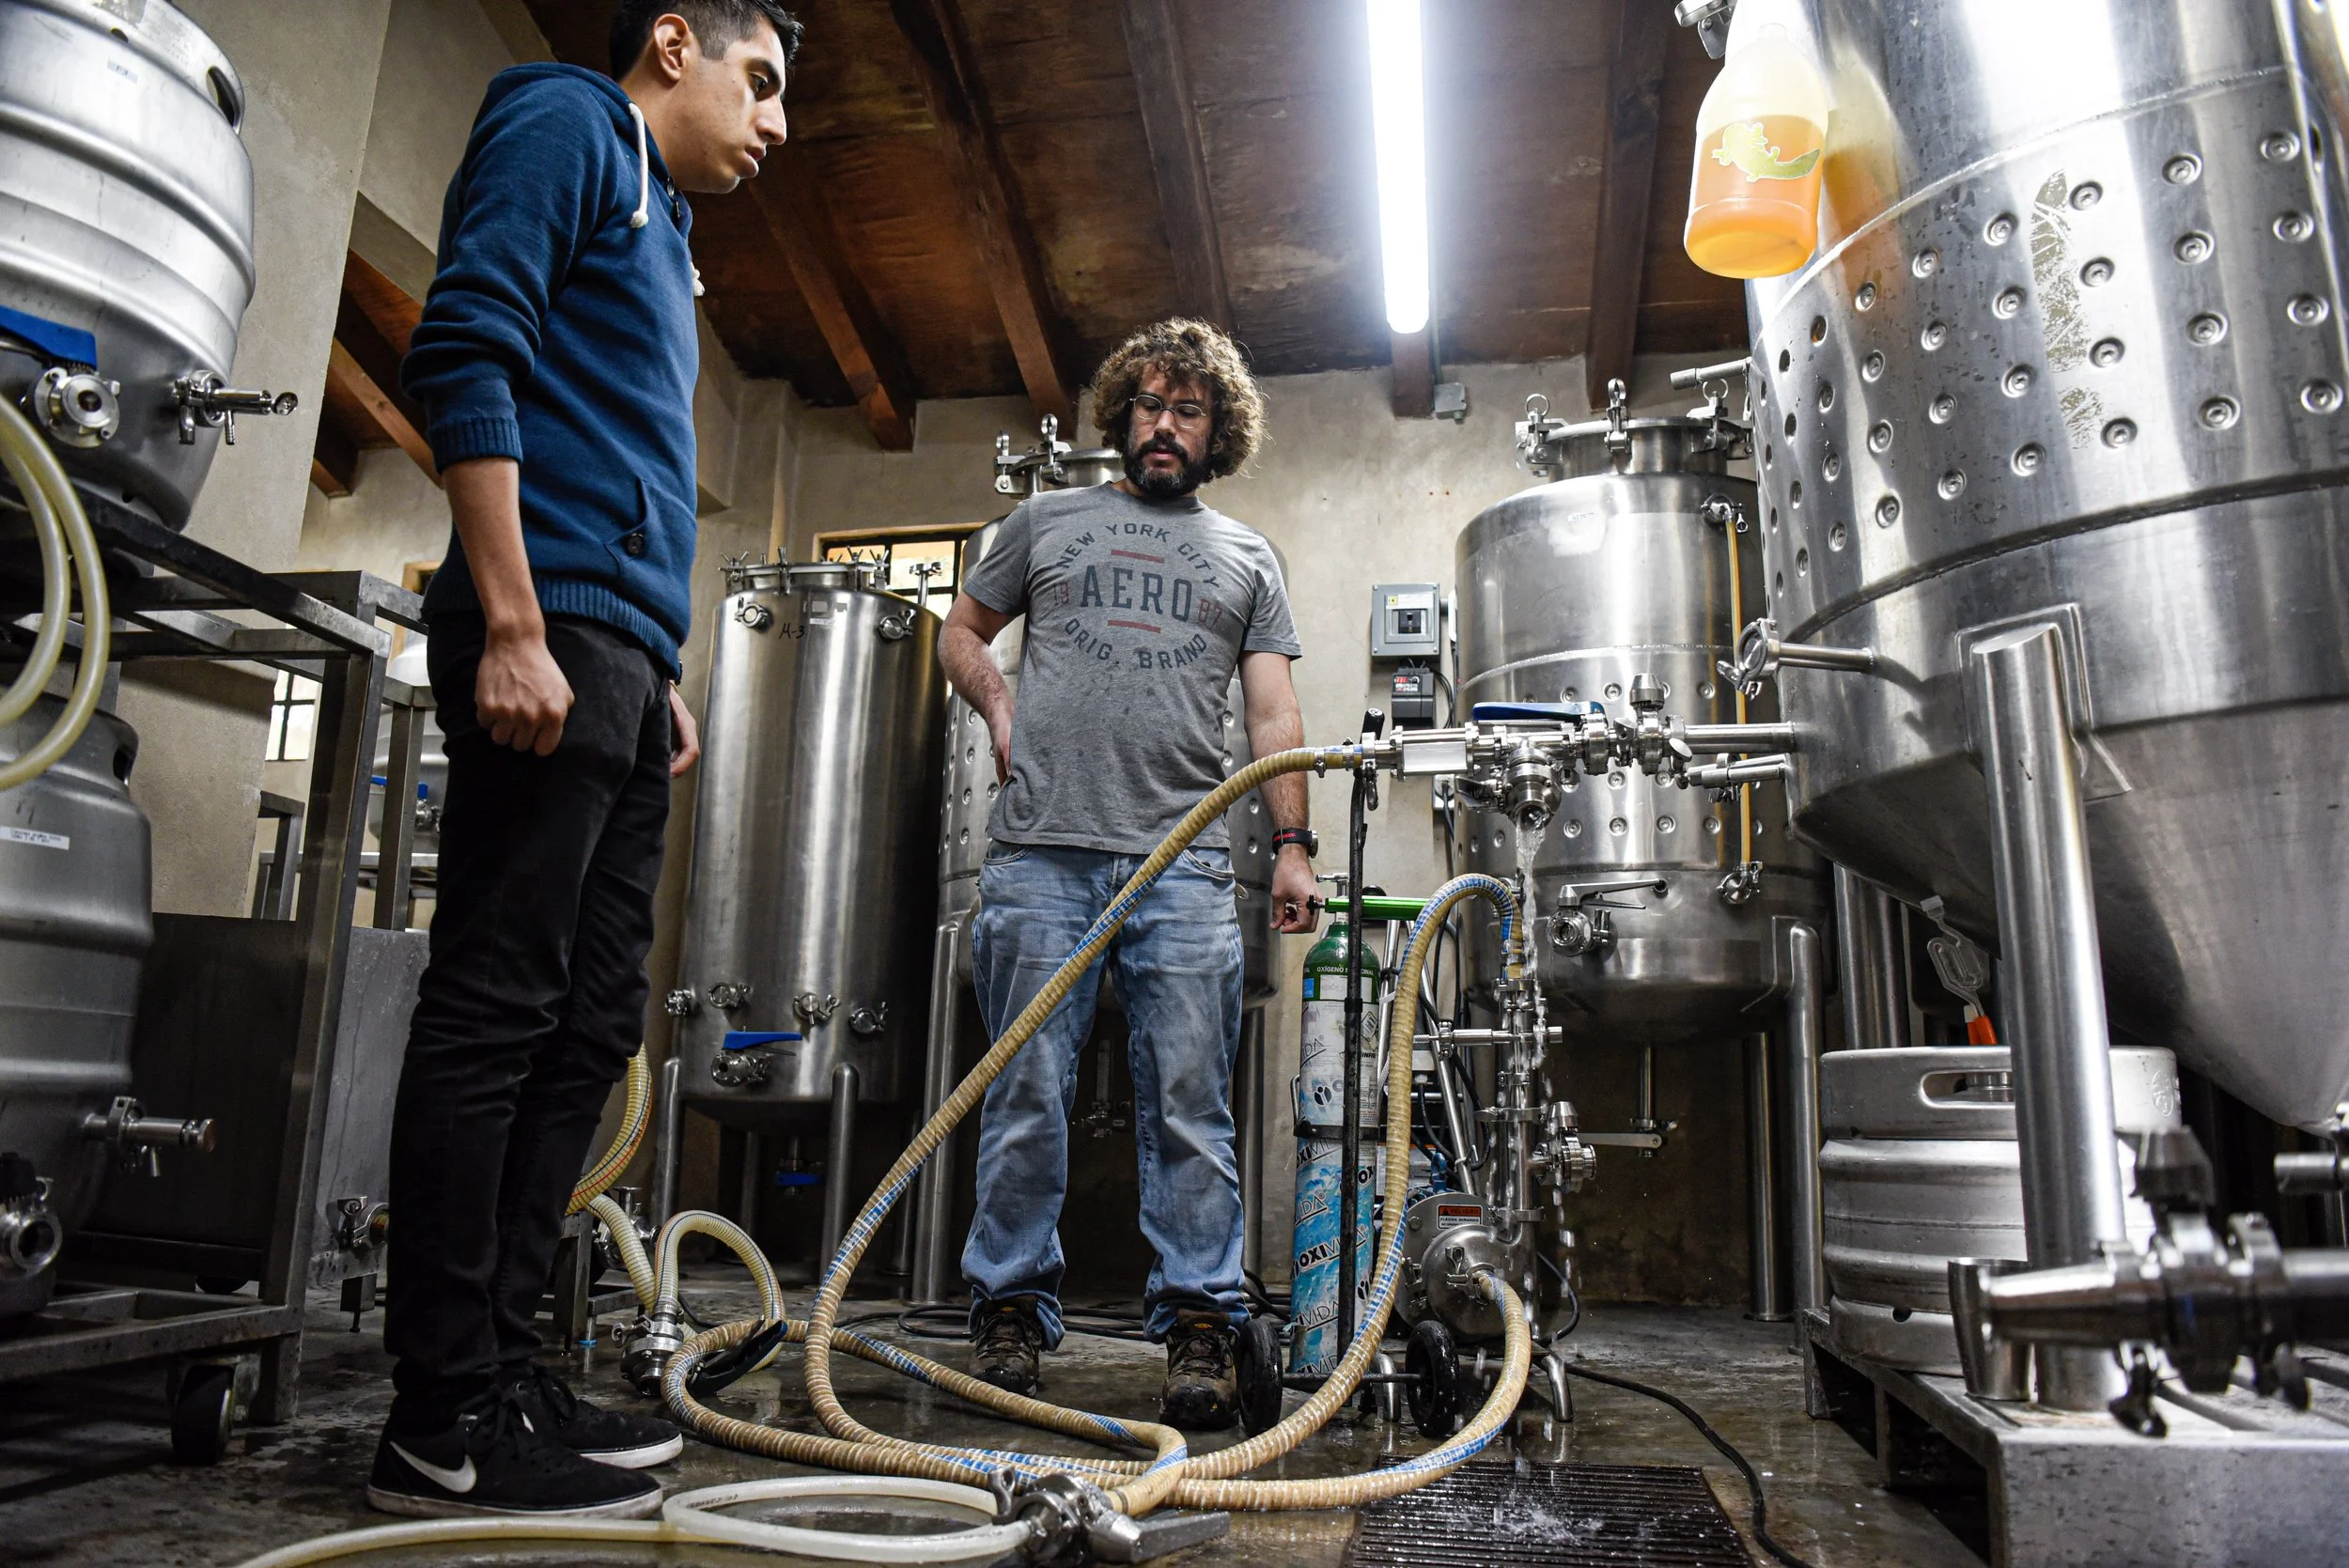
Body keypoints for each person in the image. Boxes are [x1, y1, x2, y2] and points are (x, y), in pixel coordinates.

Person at [372, 2, 797, 1521]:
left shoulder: (667, 229)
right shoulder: (567, 122)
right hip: (538, 624)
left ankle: (508, 1366)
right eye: (762, 80)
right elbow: (467, 348)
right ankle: (439, 1413)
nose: (778, 122)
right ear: (675, 44)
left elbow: (621, 448)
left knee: (588, 1020)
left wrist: (656, 667)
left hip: (617, 654)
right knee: (497, 1006)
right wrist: (511, 617)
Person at [938, 319, 1319, 1431]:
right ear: (1120, 417)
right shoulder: (1043, 521)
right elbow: (960, 633)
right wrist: (998, 705)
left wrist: (1292, 843)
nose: (1165, 424)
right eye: (1149, 404)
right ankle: (1008, 1311)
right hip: (1041, 854)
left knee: (1192, 1105)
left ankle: (1200, 1323)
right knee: (1023, 1094)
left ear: (1216, 432)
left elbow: (1273, 710)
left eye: (1188, 410)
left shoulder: (1248, 555)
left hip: (1185, 863)